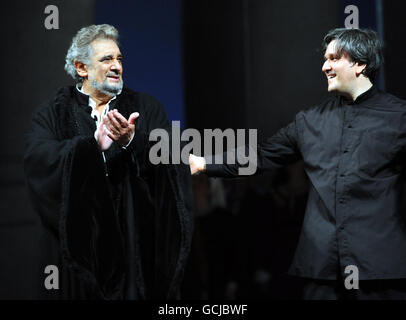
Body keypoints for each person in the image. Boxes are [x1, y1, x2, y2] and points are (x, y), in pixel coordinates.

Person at [189, 28, 406, 299]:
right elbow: (262, 155)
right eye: (325, 58)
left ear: (360, 64)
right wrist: (204, 164)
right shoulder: (310, 121)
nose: (324, 66)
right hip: (323, 269)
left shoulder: (398, 117)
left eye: (334, 58)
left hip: (380, 270)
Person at [24, 24, 194, 300]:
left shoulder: (145, 107)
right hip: (79, 261)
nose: (117, 66)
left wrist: (132, 142)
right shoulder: (54, 112)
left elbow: (173, 158)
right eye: (106, 59)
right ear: (82, 68)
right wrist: (92, 148)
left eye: (119, 59)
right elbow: (38, 161)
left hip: (133, 253)